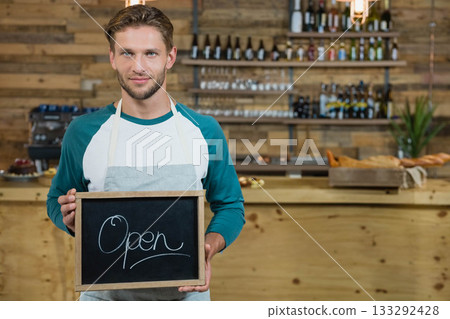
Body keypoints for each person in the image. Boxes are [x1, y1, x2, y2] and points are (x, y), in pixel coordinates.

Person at [46, 5, 245, 301]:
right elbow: (55, 200)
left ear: (170, 57)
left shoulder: (204, 130)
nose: (138, 66)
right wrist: (72, 221)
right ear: (112, 58)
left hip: (185, 301)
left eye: (150, 53)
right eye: (127, 53)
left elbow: (230, 205)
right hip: (104, 301)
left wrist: (208, 246)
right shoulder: (83, 132)